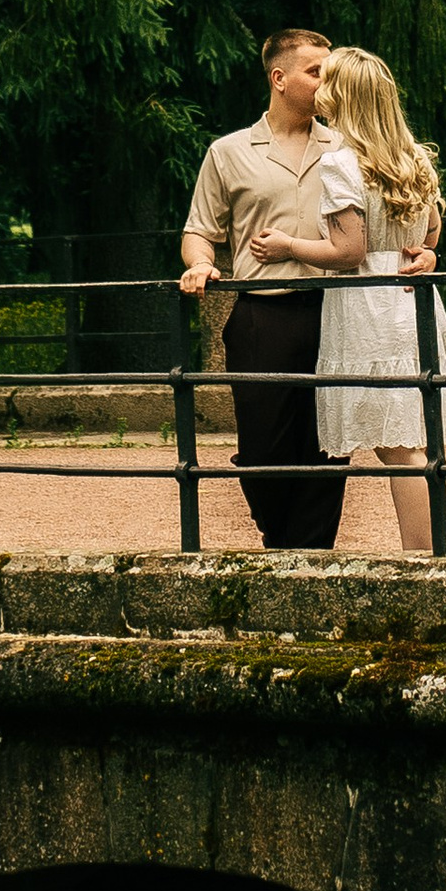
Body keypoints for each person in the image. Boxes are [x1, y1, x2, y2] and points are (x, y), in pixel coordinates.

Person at [250, 42, 446, 552]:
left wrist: (287, 245)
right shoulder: (414, 158)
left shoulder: (341, 164)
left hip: (369, 308)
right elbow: (431, 234)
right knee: (431, 445)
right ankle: (441, 550)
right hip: (411, 301)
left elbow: (349, 250)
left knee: (400, 449)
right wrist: (425, 255)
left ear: (344, 97)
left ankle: (421, 560)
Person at [178, 28, 351, 548]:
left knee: (329, 441)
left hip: (334, 311)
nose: (328, 81)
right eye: (316, 71)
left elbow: (400, 206)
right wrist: (201, 264)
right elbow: (199, 229)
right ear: (279, 78)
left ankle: (313, 556)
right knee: (261, 447)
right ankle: (280, 541)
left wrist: (426, 248)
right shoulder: (228, 152)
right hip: (260, 315)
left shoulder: (346, 146)